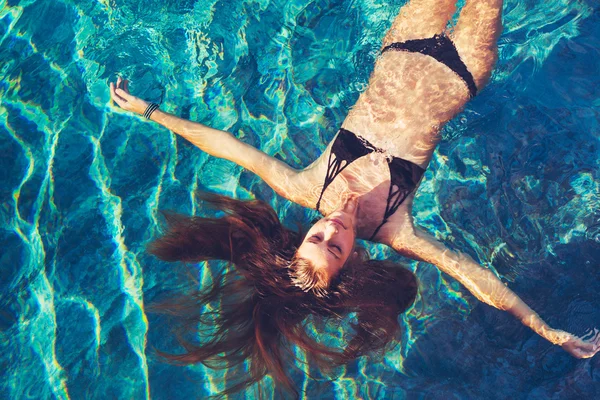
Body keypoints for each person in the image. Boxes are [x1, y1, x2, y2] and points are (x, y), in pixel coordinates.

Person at [110, 0, 599, 396]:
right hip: (462, 71)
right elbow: (473, 277)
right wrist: (542, 328)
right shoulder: (396, 229)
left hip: (404, 44)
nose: (334, 229)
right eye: (337, 246)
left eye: (316, 237)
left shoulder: (306, 186)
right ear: (354, 260)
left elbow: (229, 146)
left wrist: (152, 111)